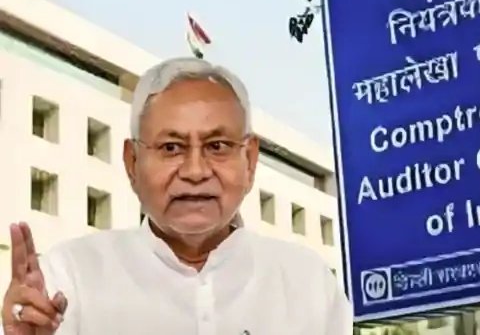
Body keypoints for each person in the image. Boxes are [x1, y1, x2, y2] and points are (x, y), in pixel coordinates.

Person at [1, 57, 353, 334]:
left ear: (249, 161)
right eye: (171, 147)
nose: (195, 171)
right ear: (132, 162)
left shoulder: (308, 283)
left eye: (217, 146)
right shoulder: (70, 278)